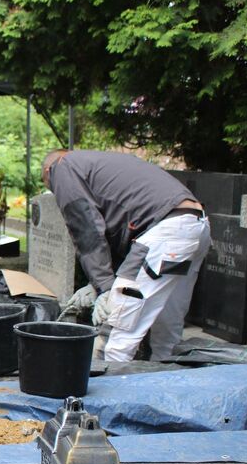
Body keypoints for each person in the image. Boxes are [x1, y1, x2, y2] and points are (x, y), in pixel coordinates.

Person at [42, 149, 211, 362]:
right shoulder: (101, 163)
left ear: (49, 171)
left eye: (50, 186)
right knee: (166, 328)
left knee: (116, 334)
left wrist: (105, 287)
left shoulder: (63, 167)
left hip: (164, 232)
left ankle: (108, 393)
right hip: (193, 226)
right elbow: (121, 231)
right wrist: (96, 285)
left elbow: (86, 228)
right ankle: (161, 383)